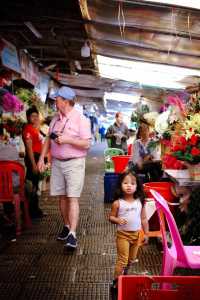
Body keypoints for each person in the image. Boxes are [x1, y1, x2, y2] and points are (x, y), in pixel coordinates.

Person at [38, 86, 91, 250]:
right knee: (61, 197)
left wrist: (68, 140)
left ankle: (73, 235)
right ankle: (67, 226)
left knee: (72, 197)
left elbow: (87, 143)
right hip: (57, 163)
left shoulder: (81, 119)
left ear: (66, 101)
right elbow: (48, 139)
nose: (55, 101)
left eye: (57, 99)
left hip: (74, 163)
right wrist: (42, 158)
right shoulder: (55, 119)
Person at [109, 170, 149, 289]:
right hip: (123, 235)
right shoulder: (117, 203)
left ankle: (124, 274)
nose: (129, 186)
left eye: (132, 183)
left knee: (131, 259)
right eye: (125, 183)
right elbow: (111, 217)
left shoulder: (140, 202)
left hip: (136, 235)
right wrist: (117, 220)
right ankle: (116, 281)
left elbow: (144, 218)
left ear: (137, 186)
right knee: (122, 259)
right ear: (120, 185)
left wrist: (146, 233)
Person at [22, 106, 45, 218]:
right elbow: (29, 149)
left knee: (35, 186)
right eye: (32, 116)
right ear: (28, 117)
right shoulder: (27, 129)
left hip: (37, 158)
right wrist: (34, 165)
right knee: (32, 186)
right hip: (33, 159)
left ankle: (35, 210)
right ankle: (31, 211)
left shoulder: (34, 128)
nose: (35, 118)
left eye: (36, 116)